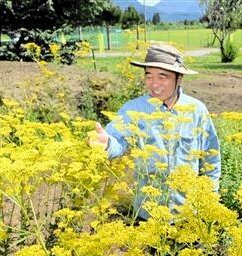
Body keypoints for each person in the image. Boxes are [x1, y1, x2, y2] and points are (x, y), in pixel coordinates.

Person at [90, 44, 221, 220]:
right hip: (148, 215)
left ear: (179, 78)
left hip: (188, 215)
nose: (154, 84)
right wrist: (106, 144)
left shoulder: (196, 110)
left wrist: (210, 198)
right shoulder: (134, 109)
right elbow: (116, 141)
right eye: (148, 76)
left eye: (162, 76)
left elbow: (211, 158)